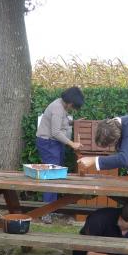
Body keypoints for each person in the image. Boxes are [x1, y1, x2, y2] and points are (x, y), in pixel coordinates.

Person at [35, 86, 84, 223]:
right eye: (73, 106)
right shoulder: (57, 108)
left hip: (54, 143)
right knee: (51, 176)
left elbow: (60, 122)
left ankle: (51, 209)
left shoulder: (60, 105)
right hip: (49, 143)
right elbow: (56, 132)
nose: (73, 109)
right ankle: (46, 212)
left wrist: (72, 122)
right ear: (70, 102)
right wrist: (72, 144)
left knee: (56, 175)